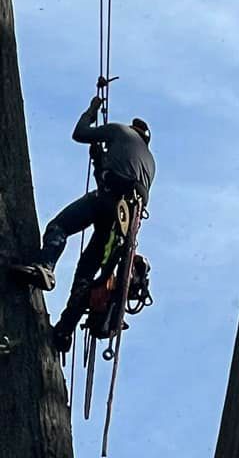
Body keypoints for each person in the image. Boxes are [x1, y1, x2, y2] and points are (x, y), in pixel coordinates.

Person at [8, 81, 154, 353]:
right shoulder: (149, 164)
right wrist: (99, 158)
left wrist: (92, 109)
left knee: (59, 226)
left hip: (108, 199)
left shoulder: (120, 131)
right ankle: (64, 332)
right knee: (85, 273)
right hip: (122, 225)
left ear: (134, 130)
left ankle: (46, 266)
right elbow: (116, 176)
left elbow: (80, 133)